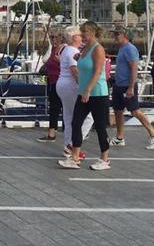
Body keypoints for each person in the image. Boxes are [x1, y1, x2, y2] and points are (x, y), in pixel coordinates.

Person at [58, 21, 111, 170]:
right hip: (83, 92)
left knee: (100, 126)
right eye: (81, 33)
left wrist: (88, 89)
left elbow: (98, 71)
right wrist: (77, 59)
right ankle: (75, 157)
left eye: (84, 32)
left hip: (97, 93)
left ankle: (105, 159)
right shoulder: (85, 49)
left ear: (92, 32)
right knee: (76, 123)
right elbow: (83, 65)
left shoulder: (98, 49)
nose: (82, 35)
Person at [108, 26, 154, 150]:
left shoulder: (130, 49)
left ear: (125, 35)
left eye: (117, 34)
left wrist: (131, 87)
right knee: (118, 110)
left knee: (135, 111)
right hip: (119, 85)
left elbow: (134, 68)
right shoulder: (122, 48)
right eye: (114, 34)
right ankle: (119, 137)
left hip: (127, 85)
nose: (115, 36)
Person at [55, 25, 93, 160]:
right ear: (73, 37)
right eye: (79, 35)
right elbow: (74, 70)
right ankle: (72, 144)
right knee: (87, 117)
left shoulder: (65, 49)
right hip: (70, 85)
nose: (82, 36)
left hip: (62, 84)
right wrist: (84, 88)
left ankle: (67, 145)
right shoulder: (72, 51)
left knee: (68, 116)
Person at [37, 31, 65, 142]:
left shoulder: (64, 50)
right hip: (52, 82)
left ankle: (68, 132)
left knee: (63, 108)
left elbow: (69, 64)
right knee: (53, 108)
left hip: (61, 81)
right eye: (51, 37)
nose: (53, 39)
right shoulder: (53, 49)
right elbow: (48, 62)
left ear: (61, 38)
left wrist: (60, 62)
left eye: (55, 36)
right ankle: (52, 132)